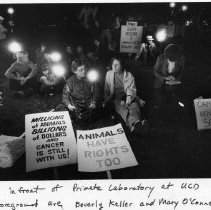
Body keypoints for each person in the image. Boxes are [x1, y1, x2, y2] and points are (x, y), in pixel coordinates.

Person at [104, 56, 147, 134]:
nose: (114, 66)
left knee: (134, 106)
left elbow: (131, 90)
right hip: (116, 98)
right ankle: (136, 125)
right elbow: (106, 90)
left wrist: (128, 100)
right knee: (122, 108)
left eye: (117, 64)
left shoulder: (129, 75)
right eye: (113, 64)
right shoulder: (109, 74)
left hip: (128, 96)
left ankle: (136, 124)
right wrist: (107, 100)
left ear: (122, 65)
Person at [56, 59, 99, 127]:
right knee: (60, 107)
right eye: (80, 70)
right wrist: (69, 105)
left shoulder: (90, 78)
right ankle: (77, 117)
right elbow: (65, 96)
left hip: (89, 105)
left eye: (85, 69)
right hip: (76, 106)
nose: (84, 71)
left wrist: (93, 102)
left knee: (101, 107)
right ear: (74, 71)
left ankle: (80, 117)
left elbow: (95, 92)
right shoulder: (70, 81)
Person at [153, 44, 185, 111]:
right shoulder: (160, 58)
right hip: (161, 80)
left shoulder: (181, 58)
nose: (172, 60)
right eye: (170, 58)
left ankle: (174, 105)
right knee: (160, 97)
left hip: (174, 81)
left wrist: (177, 79)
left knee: (174, 96)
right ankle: (159, 106)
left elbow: (182, 71)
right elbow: (155, 72)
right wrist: (164, 78)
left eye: (175, 59)